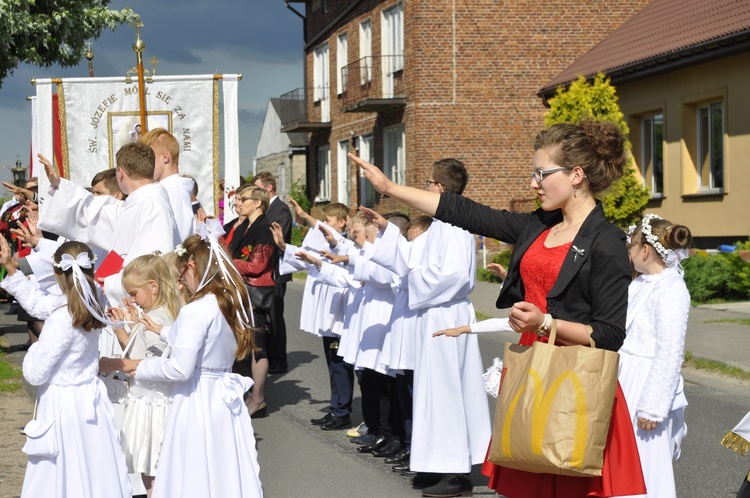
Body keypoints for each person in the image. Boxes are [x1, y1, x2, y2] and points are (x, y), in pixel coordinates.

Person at [350, 121, 646, 498]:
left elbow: (609, 334)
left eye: (541, 174)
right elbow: (466, 212)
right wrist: (390, 189)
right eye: (532, 173)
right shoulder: (539, 225)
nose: (533, 183)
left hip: (577, 381)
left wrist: (546, 322)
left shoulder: (606, 241)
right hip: (531, 371)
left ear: (576, 175)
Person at [357, 157, 491, 498]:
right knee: (434, 394)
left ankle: (457, 472)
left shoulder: (457, 224)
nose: (425, 189)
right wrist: (387, 230)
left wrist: (414, 281)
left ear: (440, 188)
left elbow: (456, 275)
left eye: (429, 184)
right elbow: (411, 257)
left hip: (448, 318)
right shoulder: (440, 224)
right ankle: (439, 464)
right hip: (435, 316)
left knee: (447, 394)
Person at [109, 228, 263, 498]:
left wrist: (132, 365)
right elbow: (206, 343)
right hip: (223, 399)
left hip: (197, 398)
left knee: (193, 468)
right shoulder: (228, 302)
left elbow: (180, 368)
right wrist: (162, 330)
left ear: (192, 266)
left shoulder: (196, 309)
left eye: (182, 274)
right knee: (221, 466)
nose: (183, 282)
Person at [0, 239, 131, 498]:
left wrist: (36, 348)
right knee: (91, 471)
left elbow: (35, 373)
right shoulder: (93, 301)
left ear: (58, 276)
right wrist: (11, 269)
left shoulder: (63, 317)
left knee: (61, 475)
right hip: (89, 401)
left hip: (63, 407)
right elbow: (40, 305)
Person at [37, 144, 179, 304]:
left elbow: (154, 262)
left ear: (120, 173)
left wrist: (113, 283)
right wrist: (59, 185)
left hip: (140, 304)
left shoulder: (154, 205)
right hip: (123, 297)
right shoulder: (133, 203)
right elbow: (92, 211)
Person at [620, 214, 691, 497]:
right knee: (623, 458)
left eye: (631, 247)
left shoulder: (672, 288)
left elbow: (670, 351)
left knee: (647, 461)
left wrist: (653, 405)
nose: (629, 253)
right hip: (625, 377)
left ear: (645, 249)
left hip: (648, 383)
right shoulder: (640, 283)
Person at [101, 254, 180, 497]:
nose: (132, 300)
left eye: (134, 294)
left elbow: (150, 365)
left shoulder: (159, 319)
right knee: (149, 469)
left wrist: (111, 363)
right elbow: (137, 350)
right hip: (147, 400)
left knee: (155, 468)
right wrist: (121, 330)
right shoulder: (152, 315)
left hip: (156, 405)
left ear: (153, 286)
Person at [273, 202, 355, 431]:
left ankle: (342, 411)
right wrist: (283, 246)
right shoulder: (324, 241)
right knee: (332, 361)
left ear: (343, 222)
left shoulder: (348, 244)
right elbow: (304, 258)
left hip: (340, 310)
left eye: (328, 221)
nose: (324, 227)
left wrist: (306, 217)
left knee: (340, 364)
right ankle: (336, 407)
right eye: (324, 220)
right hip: (327, 310)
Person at [227, 185, 276, 418]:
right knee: (239, 343)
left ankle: (258, 398)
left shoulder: (265, 228)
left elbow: (258, 265)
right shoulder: (244, 225)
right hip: (239, 291)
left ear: (258, 202)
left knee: (257, 346)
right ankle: (246, 392)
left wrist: (228, 261)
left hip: (255, 294)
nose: (239, 203)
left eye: (243, 199)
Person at [252, 172, 292, 375]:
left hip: (276, 271)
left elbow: (278, 240)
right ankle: (266, 354)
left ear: (269, 188)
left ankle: (279, 360)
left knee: (275, 315)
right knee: (263, 315)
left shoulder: (281, 210)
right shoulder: (267, 209)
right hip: (263, 271)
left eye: (259, 189)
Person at [139, 128, 195, 242]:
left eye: (149, 158)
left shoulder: (175, 193)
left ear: (165, 157)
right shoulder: (166, 190)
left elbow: (178, 242)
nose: (145, 164)